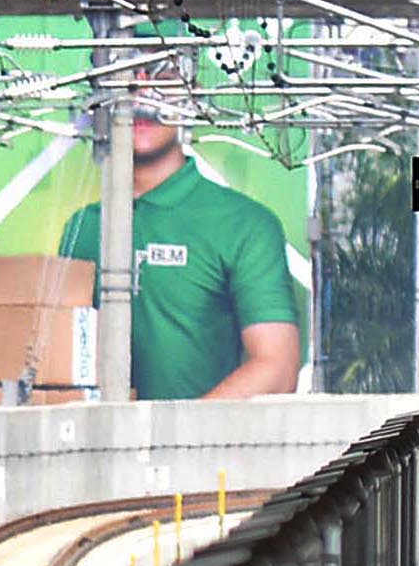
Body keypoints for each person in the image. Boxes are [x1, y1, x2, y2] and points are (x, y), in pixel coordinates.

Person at [55, 68, 301, 401]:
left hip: (202, 449)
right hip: (96, 447)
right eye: (125, 79)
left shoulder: (243, 223)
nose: (140, 97)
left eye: (160, 78)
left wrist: (179, 438)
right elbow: (59, 357)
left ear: (192, 94)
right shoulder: (82, 227)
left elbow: (277, 368)